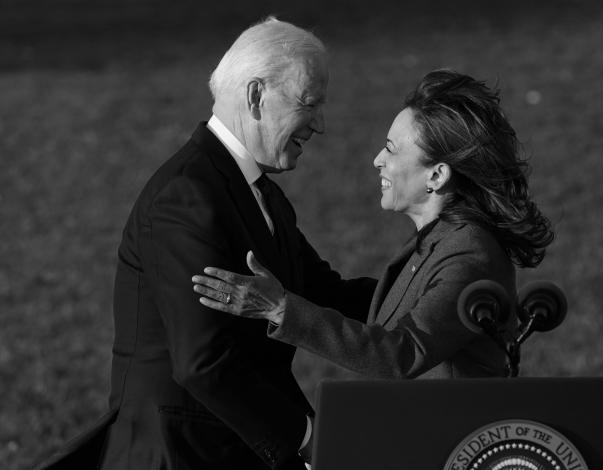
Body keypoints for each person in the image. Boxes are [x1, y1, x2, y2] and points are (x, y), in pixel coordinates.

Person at [37, 17, 376, 470]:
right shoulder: (187, 197)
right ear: (256, 96)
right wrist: (307, 438)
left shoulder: (259, 193)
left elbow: (325, 293)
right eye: (309, 102)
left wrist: (431, 292)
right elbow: (204, 361)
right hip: (179, 454)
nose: (321, 124)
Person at [192, 70, 555, 380]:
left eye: (392, 149)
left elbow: (403, 353)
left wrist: (280, 308)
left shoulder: (469, 252)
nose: (377, 160)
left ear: (437, 175)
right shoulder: (443, 239)